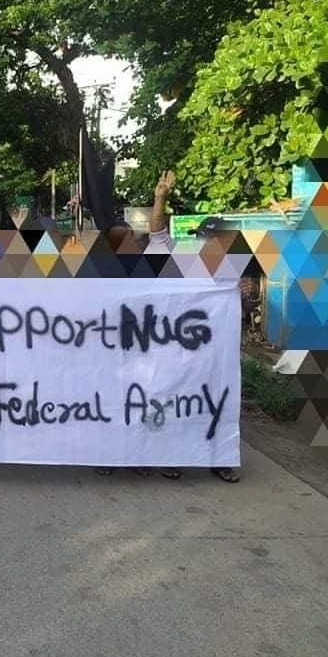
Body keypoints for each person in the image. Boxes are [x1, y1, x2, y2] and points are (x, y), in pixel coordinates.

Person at [96, 171, 241, 483]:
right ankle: (167, 455)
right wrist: (160, 198)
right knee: (167, 401)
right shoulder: (180, 261)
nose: (215, 244)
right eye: (210, 238)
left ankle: (220, 457)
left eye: (221, 240)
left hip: (211, 357)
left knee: (215, 401)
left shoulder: (230, 276)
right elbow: (158, 232)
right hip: (164, 352)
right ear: (201, 240)